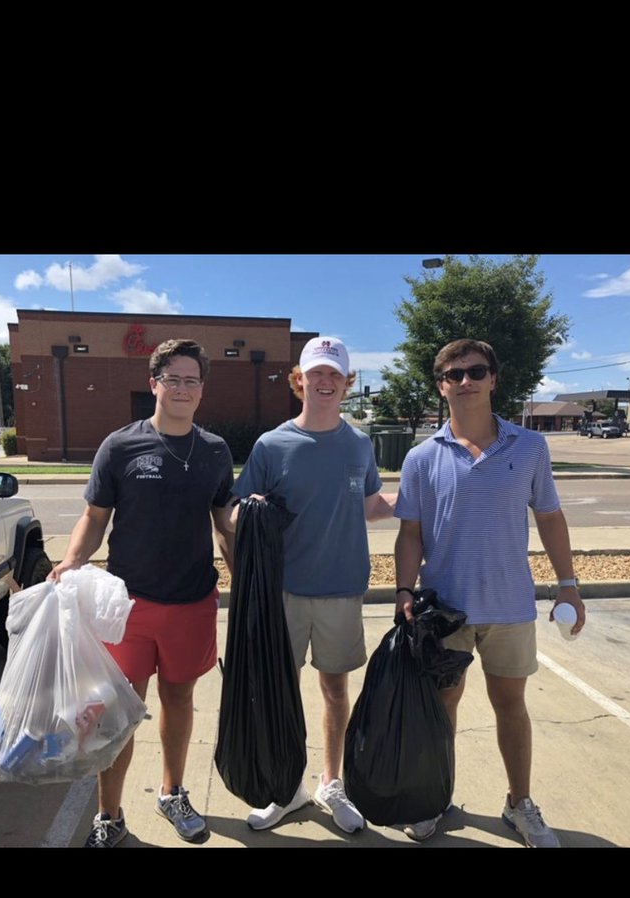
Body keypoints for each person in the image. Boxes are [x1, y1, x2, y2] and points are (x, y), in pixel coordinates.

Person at [394, 338, 586, 847]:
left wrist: (569, 586)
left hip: (509, 604)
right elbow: (410, 532)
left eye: (477, 371)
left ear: (494, 379)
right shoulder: (421, 457)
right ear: (440, 385)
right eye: (454, 374)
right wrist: (403, 590)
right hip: (445, 608)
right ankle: (433, 797)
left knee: (511, 705)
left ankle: (518, 803)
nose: (466, 381)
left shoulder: (530, 447)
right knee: (442, 706)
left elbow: (549, 516)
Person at [49, 338, 235, 848]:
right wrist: (71, 561)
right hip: (125, 608)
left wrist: (247, 563)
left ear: (201, 390)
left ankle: (172, 792)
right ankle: (109, 815)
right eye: (171, 379)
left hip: (192, 602)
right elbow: (94, 517)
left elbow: (224, 522)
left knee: (179, 699)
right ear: (153, 384)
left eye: (191, 380)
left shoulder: (216, 451)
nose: (181, 388)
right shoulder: (121, 445)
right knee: (119, 713)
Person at [233, 336, 396, 834]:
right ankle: (287, 788)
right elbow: (239, 513)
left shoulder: (359, 443)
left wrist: (418, 496)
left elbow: (368, 504)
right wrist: (252, 510)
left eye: (335, 375)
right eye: (316, 374)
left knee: (334, 689)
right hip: (281, 590)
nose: (325, 383)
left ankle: (331, 782)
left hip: (342, 588)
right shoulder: (271, 444)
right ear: (299, 380)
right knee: (279, 692)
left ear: (346, 385)